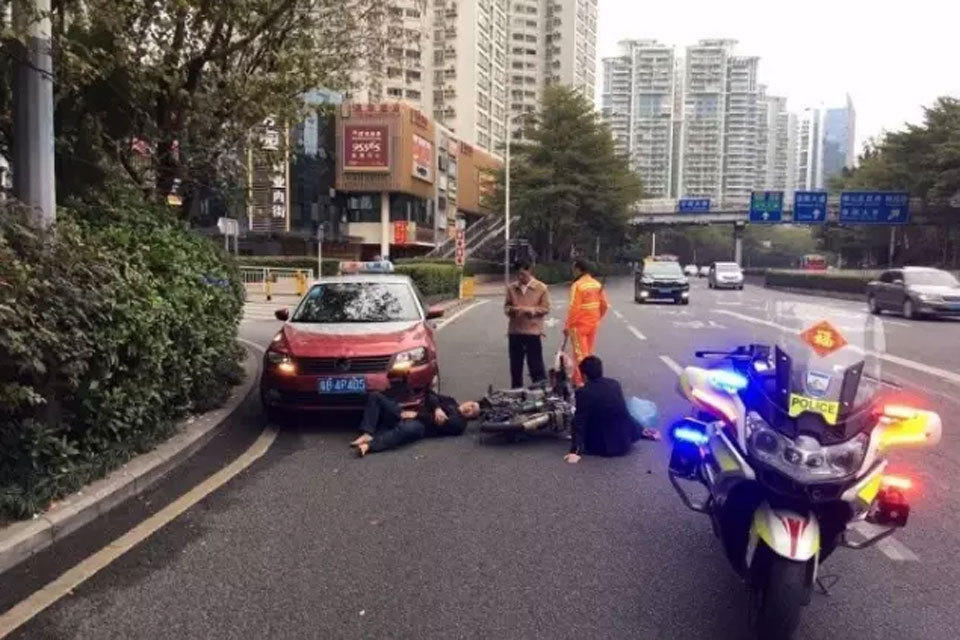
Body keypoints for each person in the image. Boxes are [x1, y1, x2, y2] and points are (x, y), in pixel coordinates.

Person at [563, 356, 660, 463]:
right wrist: (641, 429)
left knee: (579, 418)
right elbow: (623, 413)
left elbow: (579, 422)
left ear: (584, 375)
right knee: (618, 410)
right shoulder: (614, 384)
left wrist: (575, 451)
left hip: (601, 447)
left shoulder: (583, 392)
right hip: (624, 441)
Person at [350, 390, 481, 456]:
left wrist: (417, 415)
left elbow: (437, 423)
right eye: (471, 405)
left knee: (405, 430)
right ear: (467, 401)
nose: (469, 408)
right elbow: (430, 394)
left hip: (421, 426)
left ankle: (369, 446)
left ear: (471, 417)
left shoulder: (460, 424)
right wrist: (437, 408)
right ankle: (367, 433)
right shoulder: (451, 401)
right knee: (376, 396)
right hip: (406, 413)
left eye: (472, 411)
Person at [504, 259, 550, 389]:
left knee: (535, 364)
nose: (520, 277)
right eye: (518, 275)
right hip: (515, 331)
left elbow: (545, 308)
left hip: (533, 332)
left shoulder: (541, 288)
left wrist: (531, 310)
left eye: (523, 274)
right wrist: (512, 310)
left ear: (529, 271)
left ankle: (539, 391)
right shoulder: (512, 288)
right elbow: (506, 307)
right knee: (515, 366)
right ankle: (516, 391)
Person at [563, 259, 609, 387]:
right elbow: (604, 305)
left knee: (580, 354)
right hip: (593, 324)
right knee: (588, 352)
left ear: (579, 269)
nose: (573, 272)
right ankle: (589, 378)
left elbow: (574, 308)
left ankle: (580, 381)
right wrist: (597, 317)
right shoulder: (596, 284)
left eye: (574, 269)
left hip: (578, 325)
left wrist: (567, 325)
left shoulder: (578, 285)